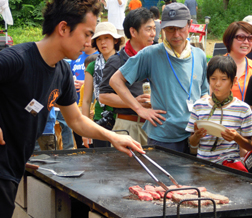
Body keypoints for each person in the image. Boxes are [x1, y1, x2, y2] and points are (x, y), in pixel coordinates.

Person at [0, 1, 144, 217]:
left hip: (12, 169)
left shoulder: (62, 73)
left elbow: (76, 120)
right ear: (64, 28)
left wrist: (112, 136)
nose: (89, 43)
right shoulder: (17, 59)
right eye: (87, 34)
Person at [109, 3, 209, 153]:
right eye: (170, 29)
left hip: (195, 136)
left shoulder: (199, 55)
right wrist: (140, 109)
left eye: (180, 28)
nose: (175, 34)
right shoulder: (151, 54)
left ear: (189, 25)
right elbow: (115, 81)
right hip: (164, 137)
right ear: (162, 28)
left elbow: (204, 93)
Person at [186, 56, 252, 172]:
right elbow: (191, 143)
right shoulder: (199, 106)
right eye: (213, 79)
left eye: (223, 79)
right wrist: (196, 136)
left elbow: (250, 145)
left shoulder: (243, 109)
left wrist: (236, 137)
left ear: (234, 80)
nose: (217, 84)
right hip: (202, 166)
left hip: (229, 168)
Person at [99, 8, 155, 145]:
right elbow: (103, 96)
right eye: (148, 29)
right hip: (128, 125)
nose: (153, 34)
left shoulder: (157, 57)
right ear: (133, 32)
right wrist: (133, 102)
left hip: (155, 126)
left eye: (154, 29)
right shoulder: (116, 61)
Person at [82, 22, 125, 148]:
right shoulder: (92, 66)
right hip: (100, 121)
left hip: (121, 119)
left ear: (115, 40)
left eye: (107, 38)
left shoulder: (125, 62)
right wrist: (85, 130)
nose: (103, 42)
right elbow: (86, 100)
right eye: (99, 39)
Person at [223, 21, 252, 102]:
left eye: (250, 38)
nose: (246, 42)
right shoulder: (216, 65)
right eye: (241, 37)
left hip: (248, 114)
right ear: (229, 39)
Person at [75, 54, 99, 148]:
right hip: (86, 122)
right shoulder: (84, 87)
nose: (85, 70)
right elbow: (81, 104)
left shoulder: (103, 85)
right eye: (85, 67)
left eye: (89, 67)